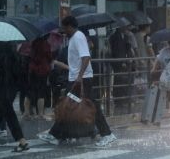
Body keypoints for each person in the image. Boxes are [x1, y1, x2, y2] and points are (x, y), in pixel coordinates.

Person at [39, 16, 117, 147]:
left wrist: (80, 77)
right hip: (76, 78)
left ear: (69, 26)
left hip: (81, 79)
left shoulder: (78, 37)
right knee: (69, 106)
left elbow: (86, 57)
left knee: (88, 105)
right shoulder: (74, 38)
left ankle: (107, 134)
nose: (63, 30)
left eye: (64, 27)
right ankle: (57, 134)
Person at [23, 35, 52, 121]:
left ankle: (26, 112)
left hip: (32, 70)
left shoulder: (33, 43)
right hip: (42, 70)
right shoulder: (46, 44)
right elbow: (49, 58)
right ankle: (40, 114)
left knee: (29, 91)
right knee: (41, 92)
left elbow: (29, 55)